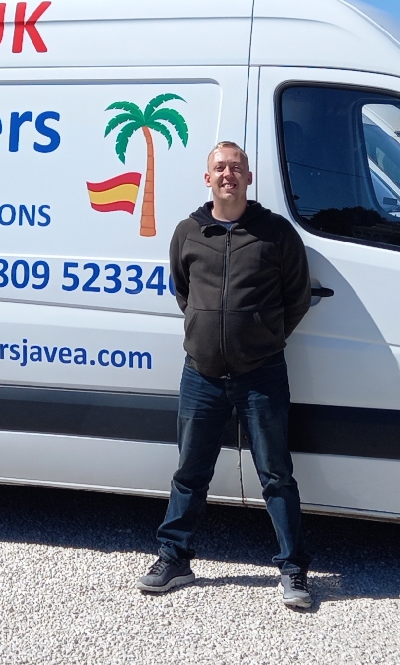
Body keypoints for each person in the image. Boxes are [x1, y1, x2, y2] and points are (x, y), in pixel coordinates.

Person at [137, 141, 315, 608]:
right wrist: (207, 333)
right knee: (190, 472)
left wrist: (261, 335)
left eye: (236, 167)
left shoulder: (276, 233)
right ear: (207, 178)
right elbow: (183, 291)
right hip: (202, 375)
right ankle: (174, 558)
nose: (228, 174)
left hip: (261, 374)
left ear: (249, 177)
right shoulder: (188, 233)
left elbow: (297, 297)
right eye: (220, 167)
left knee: (276, 475)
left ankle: (293, 569)